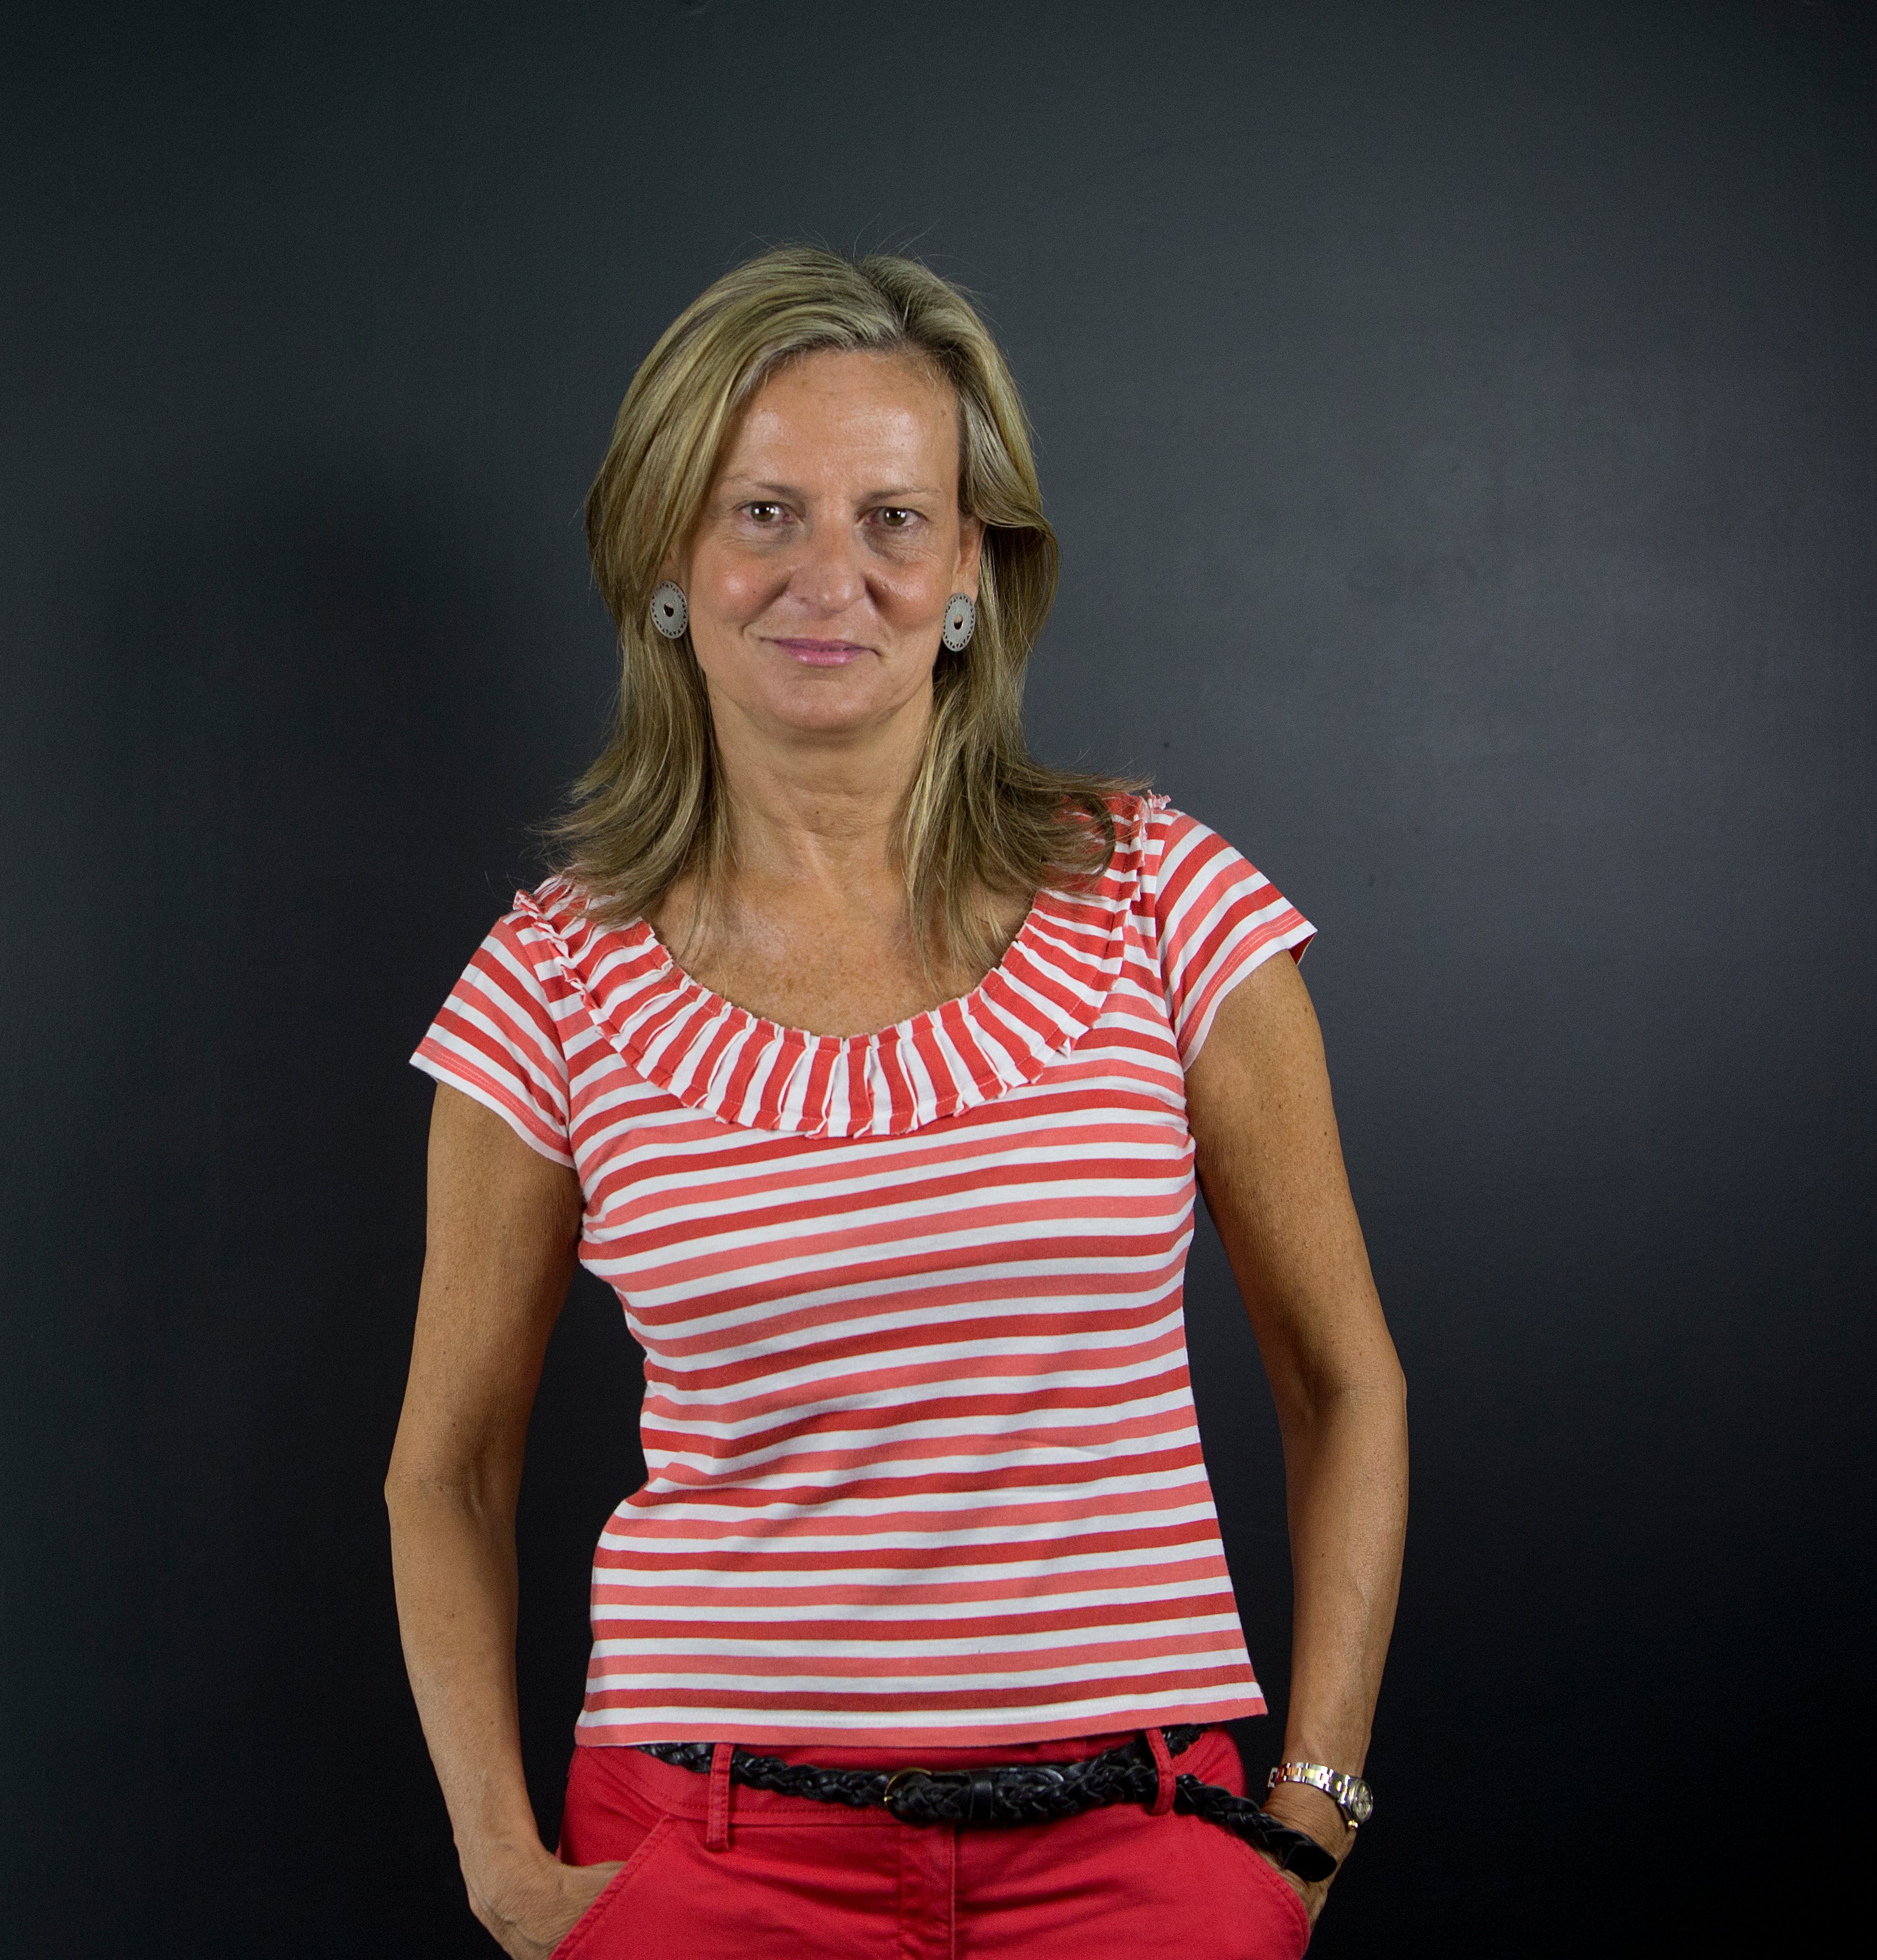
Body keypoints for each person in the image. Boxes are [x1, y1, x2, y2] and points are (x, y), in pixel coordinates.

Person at [386, 246, 1406, 1959]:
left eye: (894, 519)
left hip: (1142, 1857)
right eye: (763, 513)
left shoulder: (1160, 899)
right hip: (708, 1863)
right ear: (668, 559)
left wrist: (1311, 1809)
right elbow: (450, 1470)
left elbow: (1344, 1381)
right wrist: (503, 1864)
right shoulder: (550, 981)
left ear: (970, 571)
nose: (830, 578)